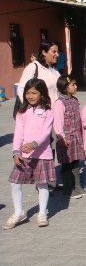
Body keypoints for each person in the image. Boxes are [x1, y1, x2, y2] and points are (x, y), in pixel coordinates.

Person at [3, 79, 55, 229]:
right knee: (15, 182)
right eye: (27, 93)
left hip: (42, 154)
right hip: (24, 155)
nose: (30, 96)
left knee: (42, 183)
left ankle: (42, 212)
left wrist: (34, 144)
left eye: (34, 93)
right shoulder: (21, 112)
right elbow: (18, 133)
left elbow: (46, 132)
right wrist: (16, 151)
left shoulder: (48, 111)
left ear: (42, 94)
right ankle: (19, 212)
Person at [54, 75, 86, 199]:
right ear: (64, 87)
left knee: (75, 163)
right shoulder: (59, 103)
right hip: (66, 139)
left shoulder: (74, 100)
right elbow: (58, 122)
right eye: (73, 85)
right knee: (66, 164)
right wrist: (61, 137)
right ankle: (68, 189)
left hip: (76, 138)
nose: (76, 87)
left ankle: (77, 186)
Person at [17, 40, 60, 105]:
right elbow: (22, 89)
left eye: (57, 52)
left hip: (54, 112)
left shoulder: (55, 70)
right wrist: (30, 108)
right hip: (40, 113)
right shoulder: (33, 67)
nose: (57, 55)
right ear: (44, 52)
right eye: (54, 52)